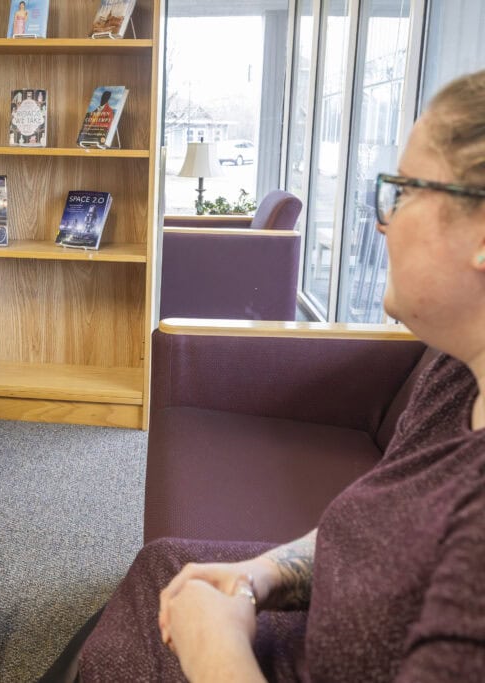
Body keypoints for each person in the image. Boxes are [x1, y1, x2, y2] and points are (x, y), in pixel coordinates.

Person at [45, 69, 485, 682]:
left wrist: (213, 646)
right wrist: (266, 573)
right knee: (164, 566)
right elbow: (380, 527)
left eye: (403, 191)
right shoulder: (457, 372)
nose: (383, 222)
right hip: (316, 628)